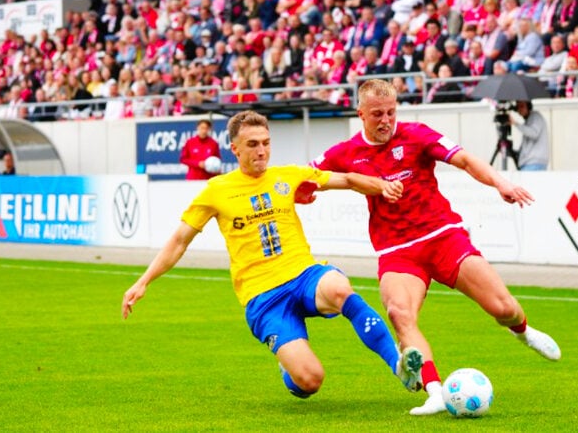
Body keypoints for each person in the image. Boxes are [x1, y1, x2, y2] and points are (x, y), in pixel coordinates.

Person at [122, 110, 424, 400]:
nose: (262, 151)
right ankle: (290, 369)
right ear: (235, 149)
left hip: (303, 274)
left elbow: (345, 179)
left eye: (266, 143)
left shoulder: (288, 176)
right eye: (253, 144)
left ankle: (397, 364)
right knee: (310, 380)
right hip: (263, 297)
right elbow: (178, 241)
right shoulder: (216, 190)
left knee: (340, 288)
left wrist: (381, 185)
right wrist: (143, 281)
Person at [306, 79, 560, 416]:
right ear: (361, 114)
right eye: (378, 114)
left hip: (444, 237)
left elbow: (466, 160)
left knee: (504, 308)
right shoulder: (346, 152)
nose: (386, 120)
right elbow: (304, 181)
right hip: (398, 252)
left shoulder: (416, 134)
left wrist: (502, 183)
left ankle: (524, 331)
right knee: (400, 314)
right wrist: (305, 192)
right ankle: (435, 391)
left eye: (391, 112)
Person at [510, 100, 549, 171]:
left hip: (534, 163)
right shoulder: (529, 120)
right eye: (518, 107)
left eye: (522, 106)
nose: (519, 109)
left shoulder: (535, 116)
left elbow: (533, 133)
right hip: (529, 163)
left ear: (529, 106)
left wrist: (515, 123)